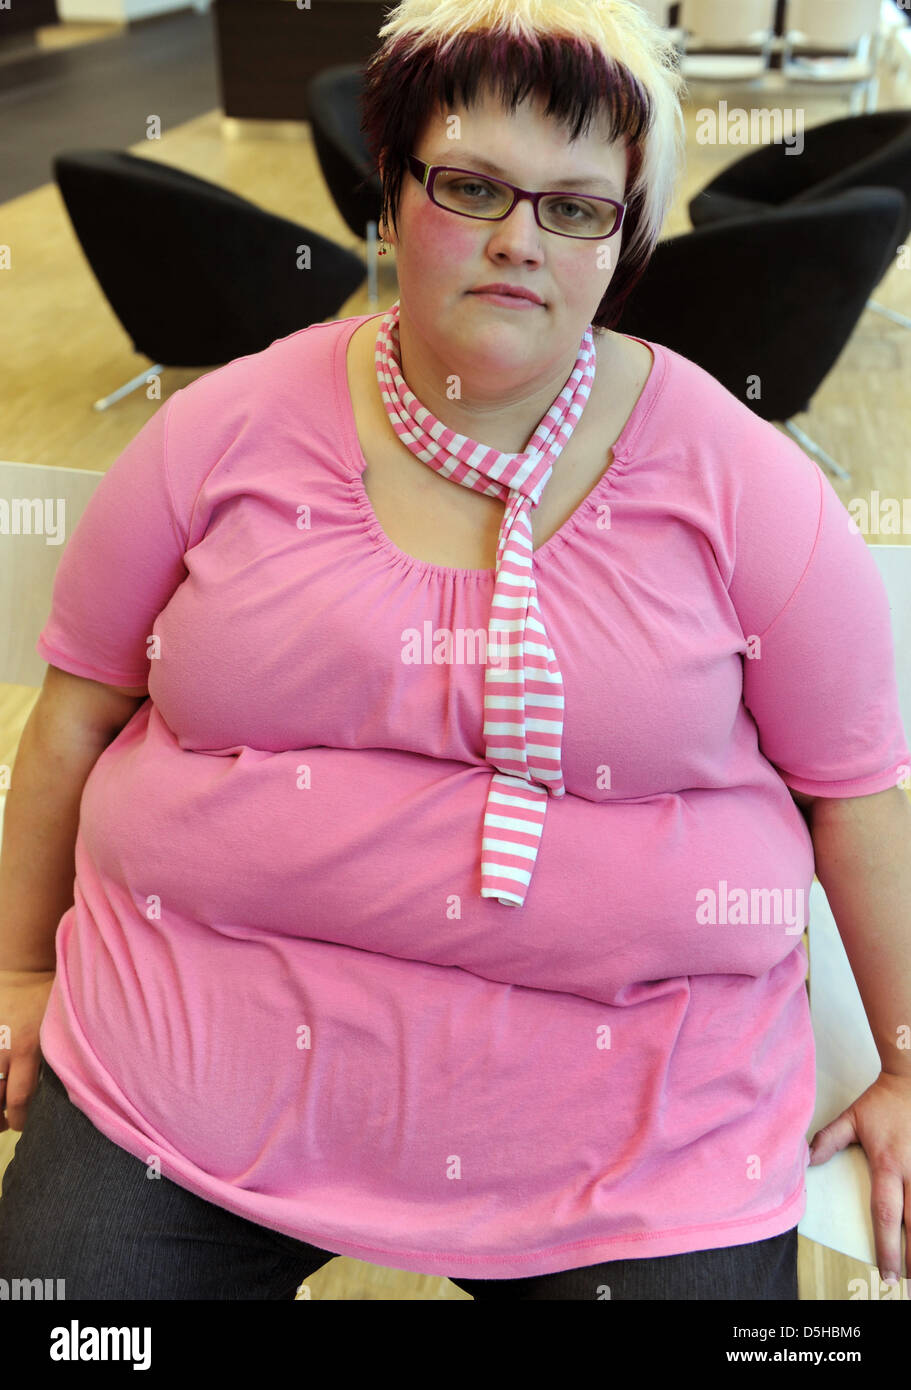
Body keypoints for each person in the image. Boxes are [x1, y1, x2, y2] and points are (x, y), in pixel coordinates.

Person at [1, 0, 909, 1302]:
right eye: (472, 185)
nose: (515, 242)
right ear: (393, 187)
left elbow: (856, 794)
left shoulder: (745, 486)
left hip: (630, 1144)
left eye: (574, 207)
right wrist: (20, 967)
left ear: (627, 235)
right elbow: (73, 716)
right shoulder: (220, 430)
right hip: (180, 1084)